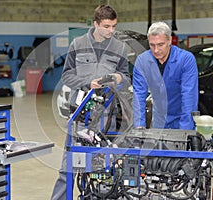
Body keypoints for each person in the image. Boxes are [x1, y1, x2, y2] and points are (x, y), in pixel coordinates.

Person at [51, 5, 130, 200]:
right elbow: (67, 75)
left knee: (103, 167)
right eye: (107, 26)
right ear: (95, 24)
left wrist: (118, 78)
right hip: (80, 116)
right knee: (68, 166)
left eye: (114, 26)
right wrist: (88, 83)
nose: (111, 30)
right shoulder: (77, 44)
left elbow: (127, 77)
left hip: (106, 115)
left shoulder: (119, 47)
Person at [133, 21, 198, 130]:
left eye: (160, 44)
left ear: (169, 41)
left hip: (181, 118)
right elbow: (139, 94)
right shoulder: (142, 61)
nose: (156, 50)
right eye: (152, 45)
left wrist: (185, 130)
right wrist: (139, 125)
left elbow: (189, 96)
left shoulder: (185, 60)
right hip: (159, 120)